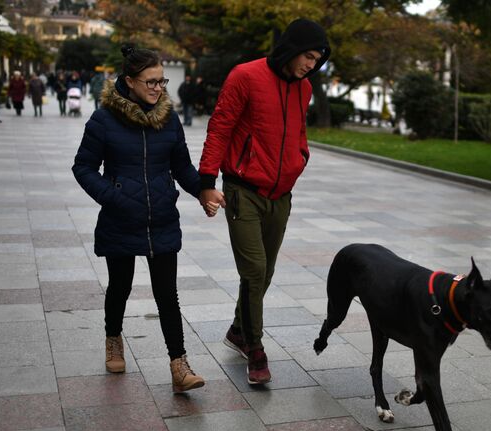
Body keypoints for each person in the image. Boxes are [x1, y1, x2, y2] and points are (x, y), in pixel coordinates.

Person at [198, 18, 330, 384]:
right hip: (244, 190)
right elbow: (220, 126)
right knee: (254, 270)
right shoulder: (245, 76)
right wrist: (206, 181)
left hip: (281, 195)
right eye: (308, 56)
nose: (311, 65)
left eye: (317, 60)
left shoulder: (303, 89)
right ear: (291, 48)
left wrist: (299, 160)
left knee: (266, 272)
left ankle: (239, 329)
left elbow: (299, 132)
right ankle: (254, 348)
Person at [72, 44, 209, 393]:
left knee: (168, 294)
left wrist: (204, 191)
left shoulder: (169, 117)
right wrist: (114, 197)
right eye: (150, 82)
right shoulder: (104, 119)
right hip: (121, 218)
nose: (157, 88)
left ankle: (179, 366)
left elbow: (181, 166)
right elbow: (83, 167)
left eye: (161, 81)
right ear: (130, 81)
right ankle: (113, 338)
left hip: (162, 216)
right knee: (121, 286)